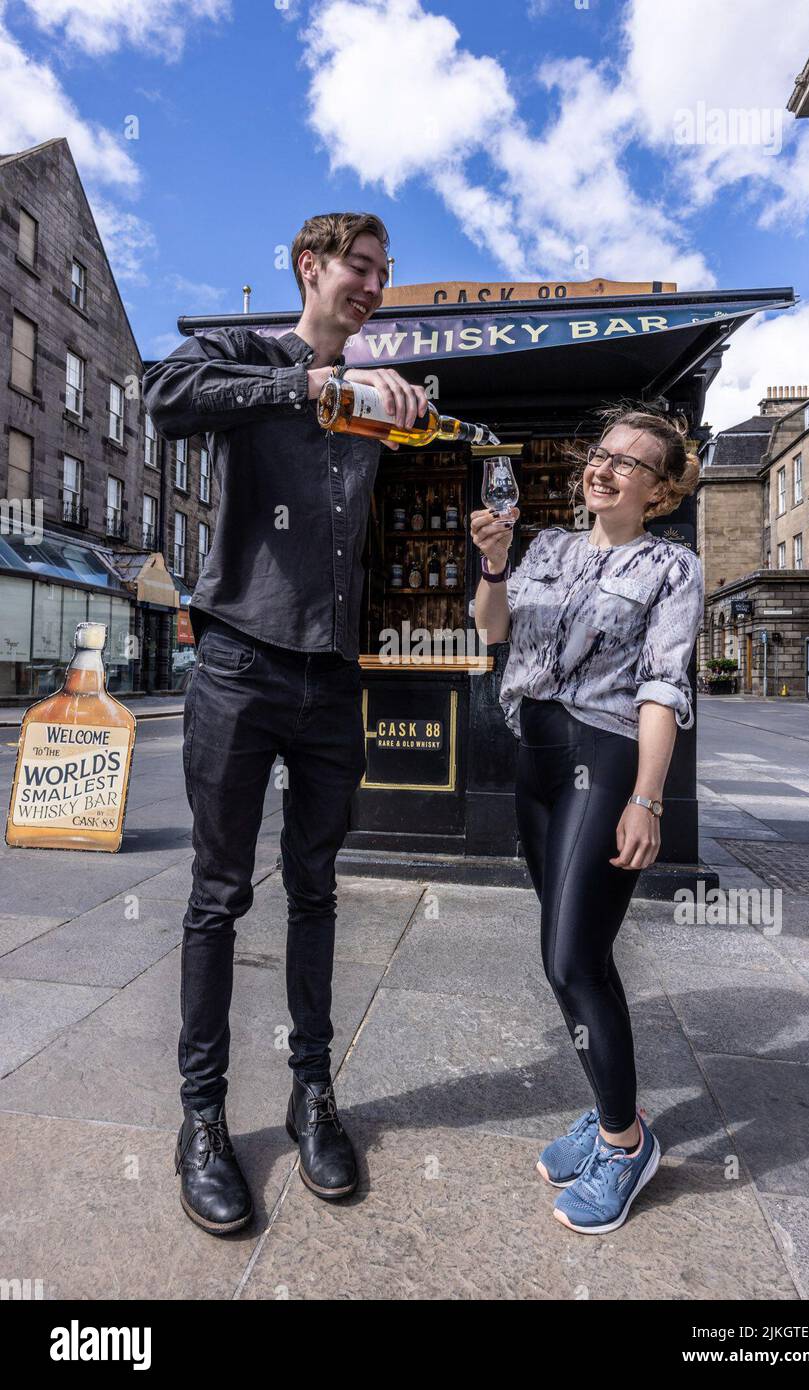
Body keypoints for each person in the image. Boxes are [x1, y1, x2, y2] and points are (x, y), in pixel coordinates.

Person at [142, 212, 430, 1235]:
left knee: (316, 888)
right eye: (361, 268)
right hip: (235, 661)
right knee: (218, 894)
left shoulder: (379, 401)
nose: (374, 286)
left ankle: (314, 1096)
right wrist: (301, 384)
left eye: (384, 275)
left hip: (330, 678)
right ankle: (203, 1120)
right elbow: (164, 397)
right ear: (311, 267)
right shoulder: (247, 358)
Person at [471, 406, 703, 1236]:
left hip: (601, 761)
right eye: (599, 456)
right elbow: (493, 632)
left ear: (661, 489)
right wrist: (493, 563)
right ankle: (610, 1110)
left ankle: (623, 1141)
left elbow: (663, 687)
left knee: (571, 958)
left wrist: (647, 797)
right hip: (532, 758)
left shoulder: (668, 567)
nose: (602, 471)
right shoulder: (549, 548)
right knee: (565, 955)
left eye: (629, 464)